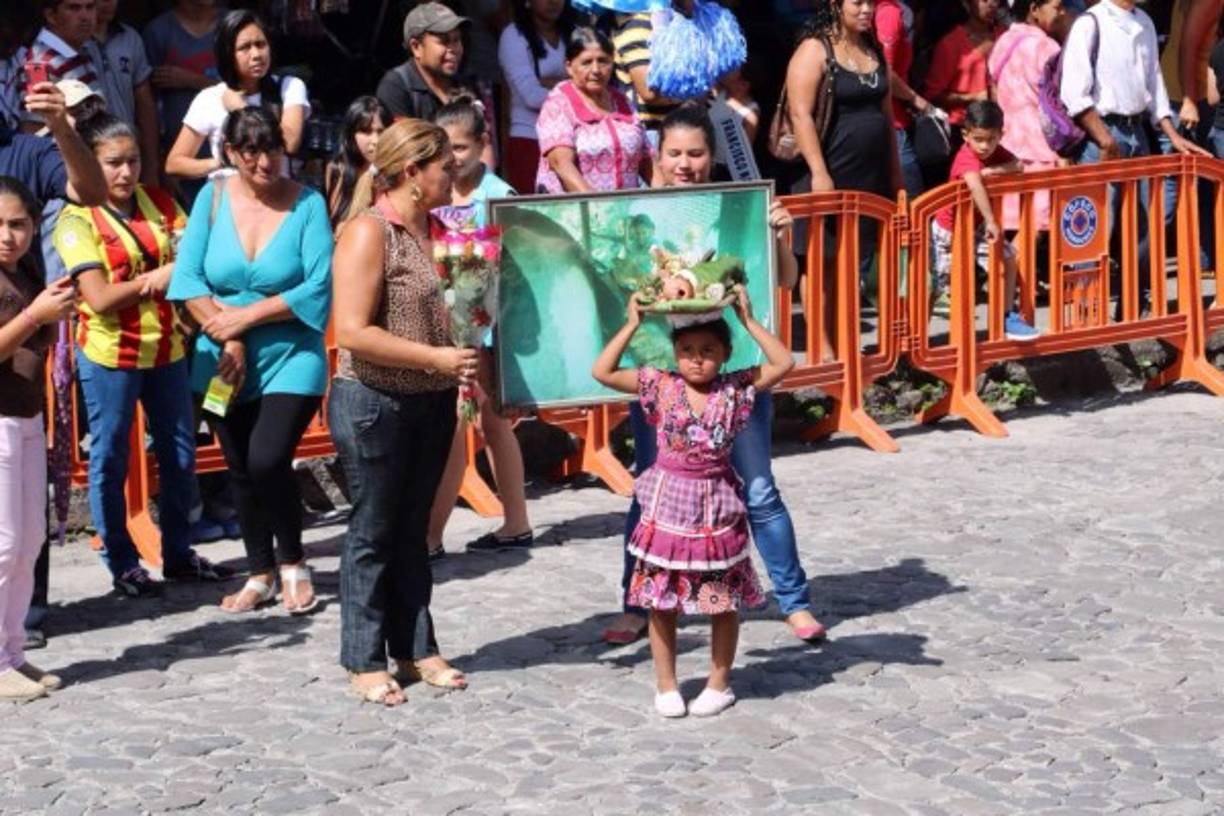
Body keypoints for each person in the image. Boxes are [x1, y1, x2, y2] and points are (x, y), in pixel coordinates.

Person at [603, 104, 825, 648]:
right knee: (651, 489)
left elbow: (787, 279)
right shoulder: (635, 216)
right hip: (663, 373)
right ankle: (638, 602)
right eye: (674, 153)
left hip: (736, 371)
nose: (685, 164)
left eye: (696, 153)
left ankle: (794, 602)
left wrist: (781, 239)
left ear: (713, 157)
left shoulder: (741, 209)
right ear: (656, 158)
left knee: (759, 489)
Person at [52, 114, 233, 598]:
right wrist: (155, 279)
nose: (125, 172)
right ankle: (122, 561)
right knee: (110, 457)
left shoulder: (160, 201)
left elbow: (199, 262)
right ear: (90, 164)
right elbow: (99, 297)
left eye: (132, 160)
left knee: (179, 453)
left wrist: (172, 274)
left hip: (168, 348)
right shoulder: (74, 219)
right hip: (109, 353)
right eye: (112, 163)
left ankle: (178, 553)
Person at [591, 289, 794, 718]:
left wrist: (748, 319)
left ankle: (719, 683)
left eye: (707, 351)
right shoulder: (658, 385)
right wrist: (632, 323)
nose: (696, 359)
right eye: (686, 350)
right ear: (674, 353)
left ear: (724, 354)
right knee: (660, 598)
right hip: (667, 507)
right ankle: (666, 684)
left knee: (721, 599)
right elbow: (603, 371)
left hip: (716, 509)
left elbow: (783, 363)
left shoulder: (736, 389)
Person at [330, 118, 477, 706]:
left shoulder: (441, 230)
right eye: (445, 165)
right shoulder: (370, 232)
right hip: (374, 399)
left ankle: (416, 647)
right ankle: (363, 657)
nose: (455, 173)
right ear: (412, 173)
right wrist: (435, 359)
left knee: (414, 530)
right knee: (373, 529)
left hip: (431, 397)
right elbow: (352, 331)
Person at [168, 107, 332, 615]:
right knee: (239, 465)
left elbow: (318, 284)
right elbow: (188, 280)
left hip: (291, 351)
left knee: (268, 456)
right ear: (232, 155)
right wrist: (228, 333)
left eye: (273, 149)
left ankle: (294, 562)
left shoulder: (307, 204)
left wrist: (248, 319)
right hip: (221, 357)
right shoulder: (212, 201)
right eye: (251, 152)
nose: (264, 162)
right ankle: (258, 571)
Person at [427, 98, 532, 558]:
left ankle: (435, 535)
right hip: (441, 328)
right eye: (445, 149)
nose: (454, 158)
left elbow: (516, 267)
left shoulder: (500, 196)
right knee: (476, 425)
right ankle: (512, 523)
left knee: (474, 423)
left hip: (486, 331)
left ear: (483, 145)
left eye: (463, 147)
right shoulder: (433, 193)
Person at [1060, 0, 1208, 308]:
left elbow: (1154, 85)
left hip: (1136, 130)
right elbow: (1074, 92)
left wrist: (1170, 133)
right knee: (1097, 224)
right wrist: (1104, 140)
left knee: (1142, 225)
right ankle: (1086, 306)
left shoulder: (1145, 22)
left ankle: (1134, 301)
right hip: (1101, 131)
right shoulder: (1090, 23)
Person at [784, 0, 901, 356]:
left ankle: (843, 341)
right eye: (858, 3)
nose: (867, 10)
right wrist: (820, 173)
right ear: (836, 5)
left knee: (851, 262)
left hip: (870, 176)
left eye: (872, 3)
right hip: (829, 172)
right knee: (822, 261)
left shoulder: (872, 47)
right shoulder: (815, 49)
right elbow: (800, 114)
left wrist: (895, 176)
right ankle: (822, 347)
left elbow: (886, 113)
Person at [0, 175, 76, 701]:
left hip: (27, 417)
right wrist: (36, 316)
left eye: (18, 224)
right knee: (3, 545)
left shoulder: (25, 271)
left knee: (28, 543)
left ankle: (13, 652)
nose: (8, 234)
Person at [931, 101, 1039, 340]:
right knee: (939, 284)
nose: (984, 146)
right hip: (949, 229)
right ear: (966, 135)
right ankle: (916, 333)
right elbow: (974, 185)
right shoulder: (965, 157)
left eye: (991, 140)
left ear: (1001, 135)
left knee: (1008, 259)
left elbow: (1018, 165)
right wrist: (991, 220)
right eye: (978, 139)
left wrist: (993, 171)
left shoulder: (994, 152)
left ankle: (1006, 316)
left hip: (975, 226)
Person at [164, 10, 310, 185]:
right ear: (228, 55)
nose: (256, 54)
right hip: (226, 201)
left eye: (261, 44)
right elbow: (174, 164)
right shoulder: (210, 98)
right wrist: (222, 162)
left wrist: (241, 110)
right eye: (245, 48)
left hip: (276, 202)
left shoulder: (289, 88)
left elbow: (290, 142)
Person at [535, 27, 655, 193]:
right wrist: (596, 205)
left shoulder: (623, 103)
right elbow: (560, 163)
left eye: (603, 61)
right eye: (586, 62)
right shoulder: (558, 103)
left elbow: (647, 160)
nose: (596, 70)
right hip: (576, 212)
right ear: (569, 67)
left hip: (624, 211)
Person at [375, 3, 495, 168]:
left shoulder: (465, 88)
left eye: (457, 40)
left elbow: (483, 145)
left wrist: (484, 187)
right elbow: (405, 153)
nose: (453, 48)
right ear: (416, 47)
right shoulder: (397, 86)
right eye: (444, 41)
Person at [987, 0, 1066, 232]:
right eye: (1056, 7)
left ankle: (1005, 267)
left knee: (1009, 223)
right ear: (1034, 9)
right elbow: (1058, 102)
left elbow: (993, 87)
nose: (1062, 13)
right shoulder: (1047, 47)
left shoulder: (1003, 41)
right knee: (1035, 226)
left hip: (1007, 144)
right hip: (1040, 148)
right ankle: (1015, 269)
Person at [141, 0, 222, 194]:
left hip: (227, 157)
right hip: (177, 159)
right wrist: (158, 163)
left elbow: (247, 89)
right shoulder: (158, 31)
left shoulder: (232, 26)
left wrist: (192, 80)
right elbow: (147, 103)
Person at [498, 0, 572, 194]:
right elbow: (531, 96)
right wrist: (572, 87)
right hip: (530, 140)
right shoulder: (513, 36)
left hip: (572, 141)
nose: (553, 2)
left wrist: (549, 82)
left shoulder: (573, 33)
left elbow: (595, 84)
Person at [91, 0, 159, 187]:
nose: (110, 3)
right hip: (88, 154)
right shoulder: (73, 42)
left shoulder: (130, 38)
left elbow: (145, 105)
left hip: (126, 151)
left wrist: (151, 165)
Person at [923, 0, 1003, 154]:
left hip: (1002, 130)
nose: (992, 3)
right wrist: (972, 98)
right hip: (965, 133)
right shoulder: (950, 43)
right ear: (967, 3)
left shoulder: (1006, 36)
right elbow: (933, 95)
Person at [16, 0, 103, 134]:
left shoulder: (83, 47)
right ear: (51, 16)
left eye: (90, 7)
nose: (85, 16)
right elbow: (34, 132)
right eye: (74, 8)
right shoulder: (41, 63)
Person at [875, 0, 932, 198]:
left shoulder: (898, 10)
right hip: (891, 121)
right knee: (911, 201)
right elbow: (882, 72)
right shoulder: (889, 13)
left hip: (889, 118)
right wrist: (915, 99)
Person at [611, 8, 681, 135]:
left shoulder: (684, 22)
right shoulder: (636, 28)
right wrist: (693, 94)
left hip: (685, 126)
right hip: (651, 133)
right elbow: (650, 92)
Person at [324, 95, 390, 226]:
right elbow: (337, 218)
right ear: (351, 135)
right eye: (366, 132)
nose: (375, 140)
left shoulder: (394, 171)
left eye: (381, 131)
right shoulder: (338, 168)